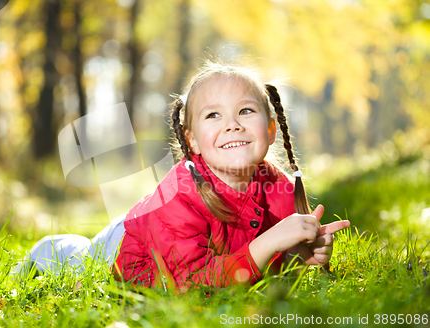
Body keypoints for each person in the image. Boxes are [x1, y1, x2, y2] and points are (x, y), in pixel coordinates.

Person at [20, 61, 350, 290]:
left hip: (167, 235)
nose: (232, 124)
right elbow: (187, 283)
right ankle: (47, 248)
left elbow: (263, 273)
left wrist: (297, 254)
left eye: (246, 111)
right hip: (127, 246)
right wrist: (268, 243)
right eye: (213, 115)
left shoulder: (277, 188)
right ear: (191, 139)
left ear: (270, 128)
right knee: (78, 258)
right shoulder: (181, 193)